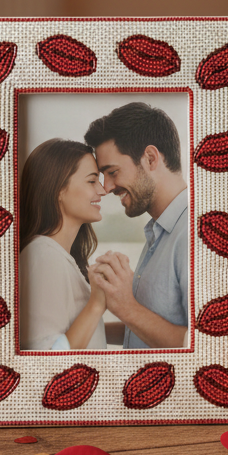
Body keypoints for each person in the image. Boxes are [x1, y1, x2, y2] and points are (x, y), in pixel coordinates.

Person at [84, 102, 189, 349]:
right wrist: (81, 327)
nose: (107, 187)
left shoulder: (196, 234)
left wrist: (126, 307)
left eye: (112, 172)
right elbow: (149, 330)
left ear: (150, 158)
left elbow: (208, 346)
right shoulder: (159, 232)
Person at [18, 138, 109, 351]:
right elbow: (47, 355)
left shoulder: (55, 255)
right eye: (91, 181)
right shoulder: (44, 256)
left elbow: (71, 332)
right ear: (59, 189)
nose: (103, 190)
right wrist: (97, 304)